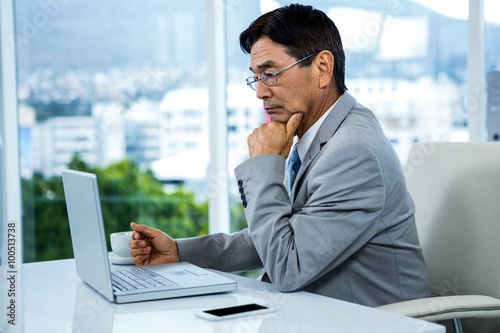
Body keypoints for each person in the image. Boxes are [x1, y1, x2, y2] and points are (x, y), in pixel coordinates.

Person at [129, 3, 429, 307]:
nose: (260, 92)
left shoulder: (352, 153)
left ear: (322, 69)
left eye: (270, 74)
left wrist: (264, 165)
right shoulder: (321, 134)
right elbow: (281, 236)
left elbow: (288, 266)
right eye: (256, 78)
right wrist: (180, 253)